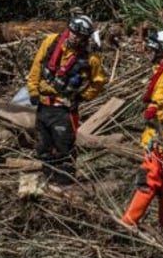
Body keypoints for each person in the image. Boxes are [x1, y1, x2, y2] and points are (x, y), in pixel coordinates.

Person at [27, 14, 107, 185]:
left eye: (79, 35)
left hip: (64, 110)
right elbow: (36, 67)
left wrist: (83, 96)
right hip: (44, 106)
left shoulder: (90, 58)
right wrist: (33, 91)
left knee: (64, 149)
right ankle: (47, 180)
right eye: (73, 32)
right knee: (43, 148)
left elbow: (99, 82)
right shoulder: (51, 42)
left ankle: (65, 185)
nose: (74, 37)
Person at [121, 30, 163, 229]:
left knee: (148, 182)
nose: (148, 52)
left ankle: (126, 224)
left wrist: (153, 107)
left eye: (153, 48)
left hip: (161, 138)